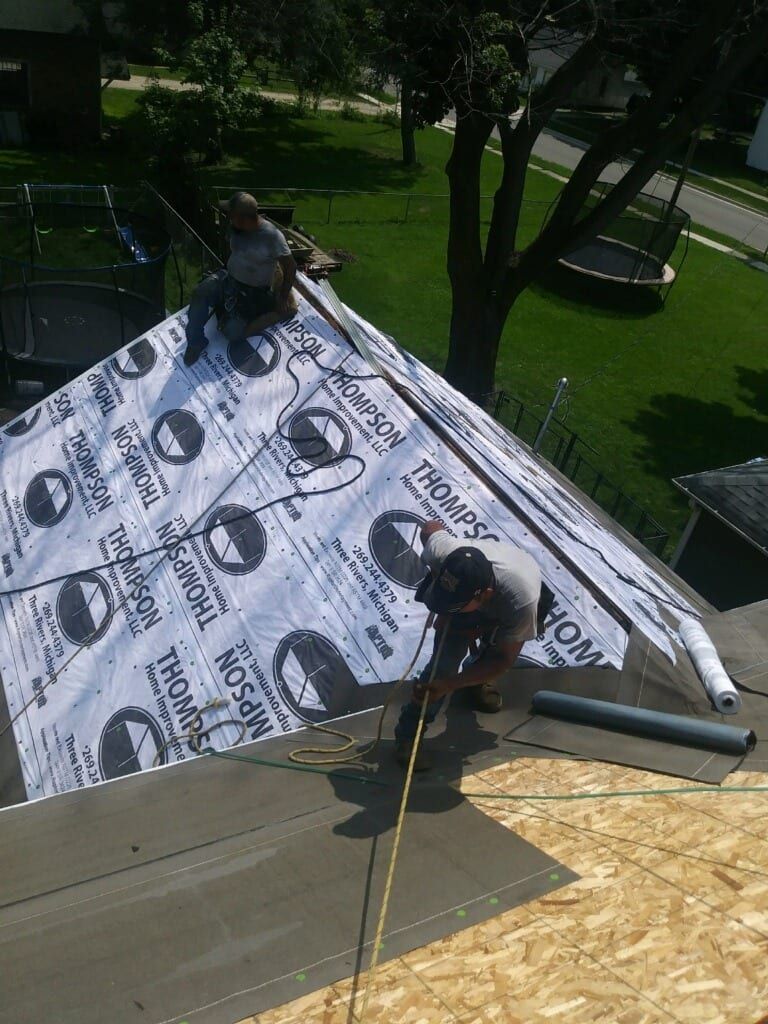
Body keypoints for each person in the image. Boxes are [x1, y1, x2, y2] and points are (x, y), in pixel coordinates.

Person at [394, 520, 548, 771]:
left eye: (455, 606)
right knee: (441, 669)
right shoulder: (445, 552)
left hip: (509, 598)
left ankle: (473, 683)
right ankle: (408, 736)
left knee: (490, 653)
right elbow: (430, 528)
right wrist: (445, 605)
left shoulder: (521, 604)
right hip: (477, 591)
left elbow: (503, 660)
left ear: (483, 595)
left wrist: (451, 686)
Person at [183, 192, 297, 366]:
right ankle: (195, 343)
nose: (228, 219)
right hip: (228, 279)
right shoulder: (236, 228)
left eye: (232, 216)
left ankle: (270, 313)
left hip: (253, 293)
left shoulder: (272, 236)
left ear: (244, 219)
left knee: (232, 333)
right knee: (200, 293)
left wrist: (283, 296)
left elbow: (291, 267)